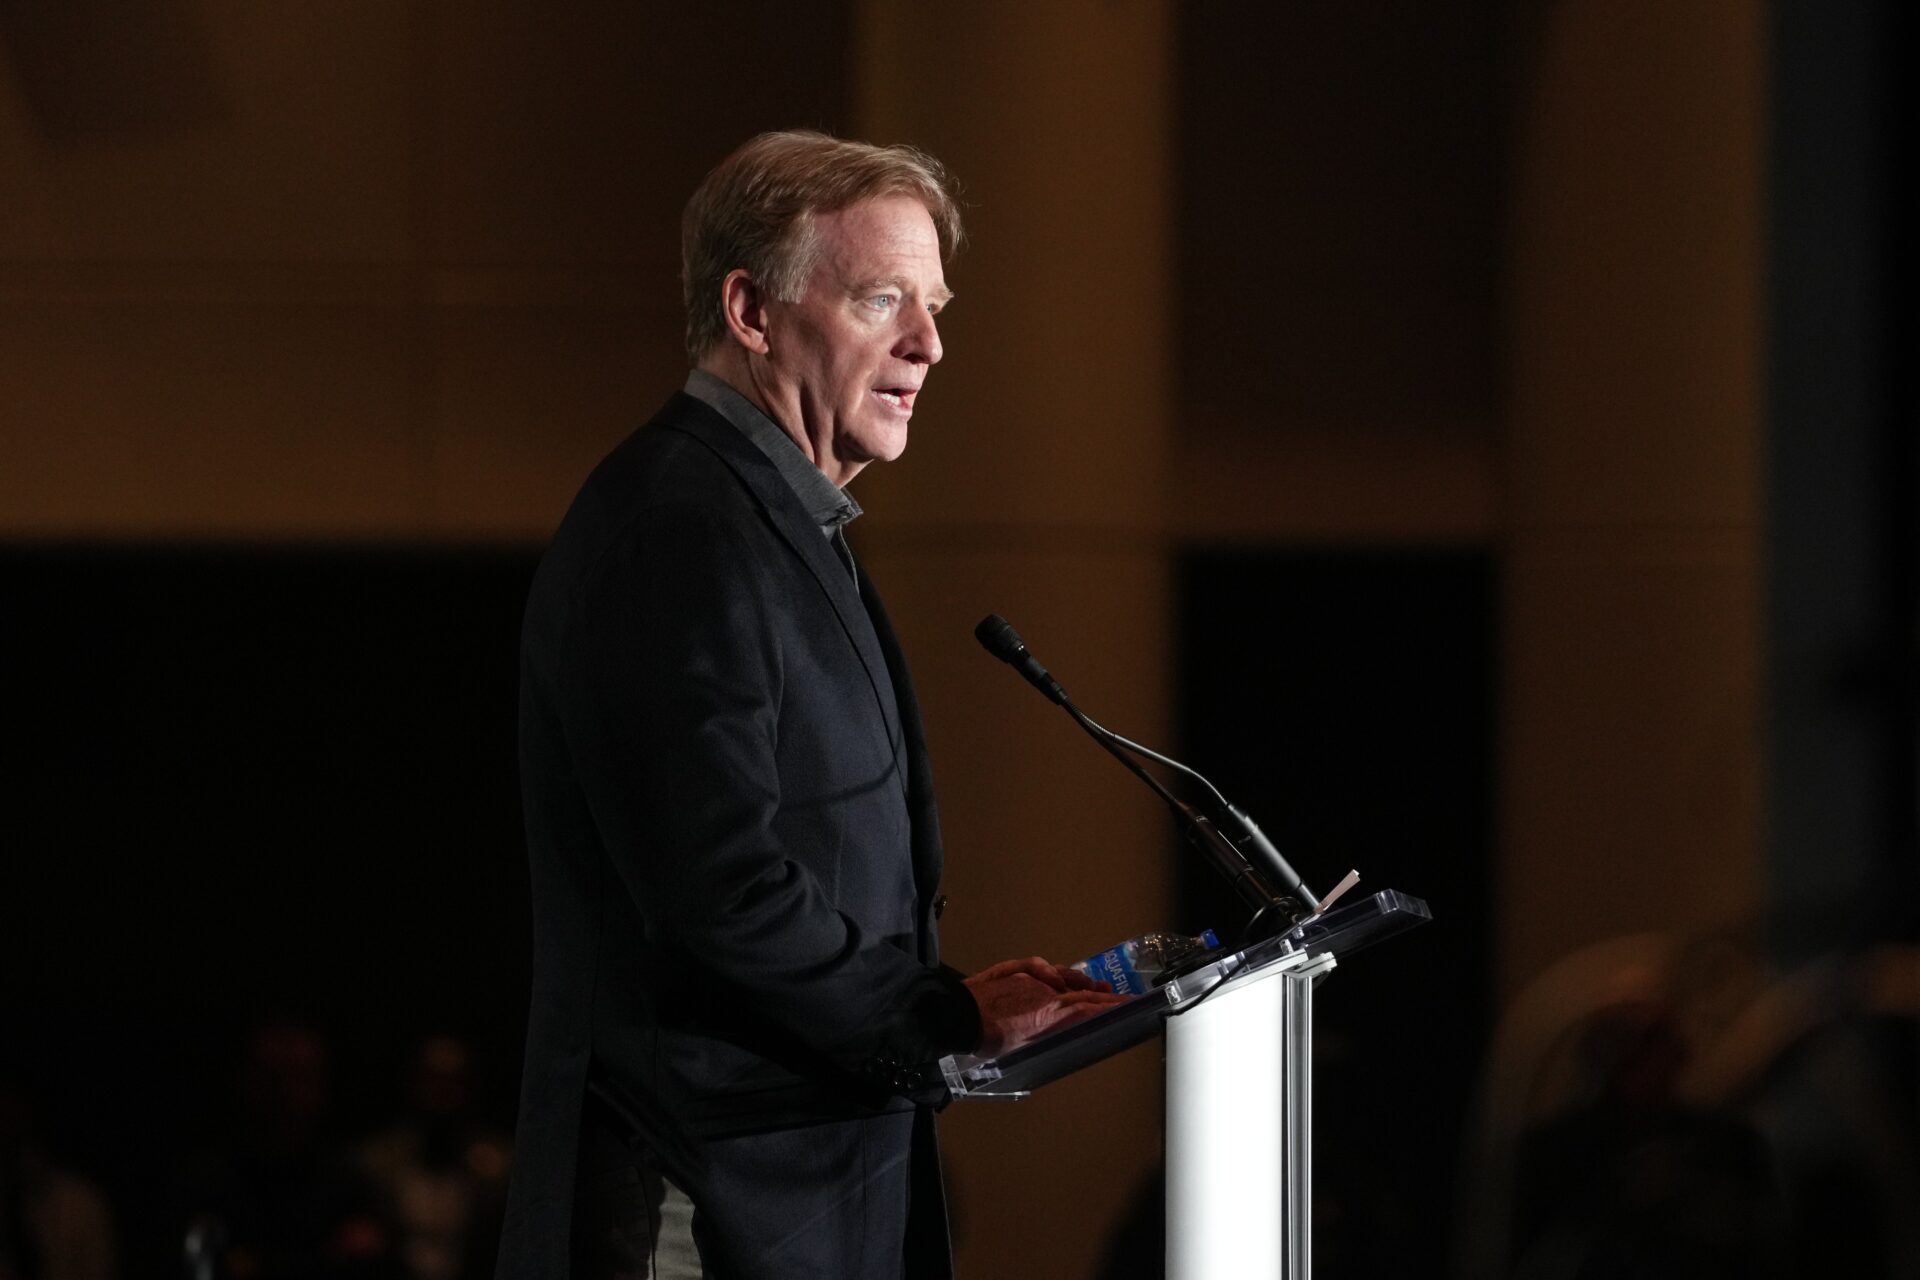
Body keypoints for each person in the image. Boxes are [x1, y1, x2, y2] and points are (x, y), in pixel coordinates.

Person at [495, 131, 1127, 1279]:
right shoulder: (679, 530)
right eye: (883, 299)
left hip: (794, 1195)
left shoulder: (775, 521)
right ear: (751, 309)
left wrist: (945, 1003)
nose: (930, 344)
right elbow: (720, 886)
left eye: (933, 305)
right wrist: (937, 1016)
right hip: (702, 1205)